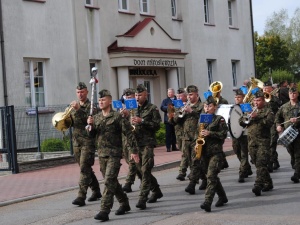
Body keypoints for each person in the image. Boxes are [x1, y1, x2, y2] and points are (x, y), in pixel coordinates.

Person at [88, 89, 140, 222]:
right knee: (112, 181)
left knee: (109, 181)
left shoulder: (117, 117)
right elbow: (92, 136)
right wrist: (90, 127)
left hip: (114, 154)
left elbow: (129, 134)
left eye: (103, 100)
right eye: (99, 100)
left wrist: (134, 151)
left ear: (110, 101)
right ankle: (124, 203)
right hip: (102, 155)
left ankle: (104, 210)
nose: (100, 102)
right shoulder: (97, 117)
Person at [131, 84, 163, 210]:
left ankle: (142, 199)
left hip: (147, 143)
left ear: (146, 95)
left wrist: (142, 121)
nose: (137, 97)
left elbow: (157, 125)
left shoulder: (152, 108)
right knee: (140, 171)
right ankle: (156, 191)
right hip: (135, 144)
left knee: (145, 170)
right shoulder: (133, 109)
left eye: (140, 95)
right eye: (136, 95)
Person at [70, 82, 101, 207]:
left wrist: (78, 109)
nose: (80, 94)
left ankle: (81, 196)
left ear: (87, 92)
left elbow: (88, 119)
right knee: (85, 168)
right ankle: (96, 190)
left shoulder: (92, 106)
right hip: (76, 142)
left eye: (82, 92)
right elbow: (71, 122)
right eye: (78, 92)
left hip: (88, 141)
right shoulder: (72, 106)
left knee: (84, 167)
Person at [239, 90, 274, 196]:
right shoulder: (249, 111)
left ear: (263, 101)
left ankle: (258, 185)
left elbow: (269, 123)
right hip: (252, 142)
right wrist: (246, 117)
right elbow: (241, 122)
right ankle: (268, 182)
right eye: (254, 100)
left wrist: (257, 117)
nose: (256, 103)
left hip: (263, 142)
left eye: (258, 100)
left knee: (261, 163)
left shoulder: (268, 112)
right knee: (258, 164)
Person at [198, 96, 229, 212]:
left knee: (211, 176)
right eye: (205, 106)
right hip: (204, 152)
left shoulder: (219, 119)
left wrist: (210, 133)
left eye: (210, 106)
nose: (207, 108)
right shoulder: (202, 119)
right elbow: (198, 134)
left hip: (216, 153)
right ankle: (222, 197)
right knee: (212, 176)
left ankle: (207, 202)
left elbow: (223, 134)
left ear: (215, 107)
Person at [173, 85, 204, 193]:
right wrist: (181, 114)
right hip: (186, 138)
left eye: (191, 94)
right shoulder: (185, 106)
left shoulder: (202, 106)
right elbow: (175, 120)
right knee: (190, 161)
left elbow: (204, 119)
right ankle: (204, 178)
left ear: (196, 94)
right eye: (188, 95)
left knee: (195, 161)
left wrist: (192, 112)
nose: (189, 97)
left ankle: (192, 184)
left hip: (197, 137)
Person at [275, 87, 300, 183]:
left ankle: (297, 174)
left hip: (298, 133)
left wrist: (297, 120)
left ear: (297, 94)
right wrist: (278, 126)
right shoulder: (284, 107)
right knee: (292, 153)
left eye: (294, 93)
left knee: (298, 154)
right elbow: (278, 118)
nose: (292, 95)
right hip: (288, 135)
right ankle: (296, 167)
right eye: (291, 93)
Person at [121, 88, 142, 193]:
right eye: (127, 98)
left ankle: (128, 183)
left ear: (135, 96)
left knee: (133, 161)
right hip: (126, 140)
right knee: (131, 162)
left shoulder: (139, 107)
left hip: (137, 139)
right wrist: (124, 116)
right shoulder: (123, 108)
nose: (128, 100)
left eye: (130, 97)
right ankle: (144, 179)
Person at [232, 89, 252, 183]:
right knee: (237, 151)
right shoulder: (233, 107)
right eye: (236, 97)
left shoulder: (246, 107)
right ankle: (247, 167)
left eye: (239, 97)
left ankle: (242, 173)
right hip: (235, 133)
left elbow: (249, 118)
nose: (237, 99)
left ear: (243, 98)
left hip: (244, 133)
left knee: (244, 153)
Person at [169, 88, 188, 181]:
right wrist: (179, 113)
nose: (179, 98)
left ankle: (182, 172)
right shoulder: (174, 106)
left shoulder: (191, 105)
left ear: (185, 96)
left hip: (189, 134)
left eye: (181, 96)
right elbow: (172, 120)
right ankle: (198, 172)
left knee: (185, 153)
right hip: (179, 133)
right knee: (183, 151)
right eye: (178, 96)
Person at [263, 81, 281, 172]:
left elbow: (279, 111)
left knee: (272, 143)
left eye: (267, 88)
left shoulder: (275, 99)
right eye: (264, 88)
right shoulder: (260, 98)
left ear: (271, 89)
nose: (265, 90)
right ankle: (275, 160)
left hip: (273, 123)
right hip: (264, 124)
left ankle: (270, 163)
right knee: (267, 144)